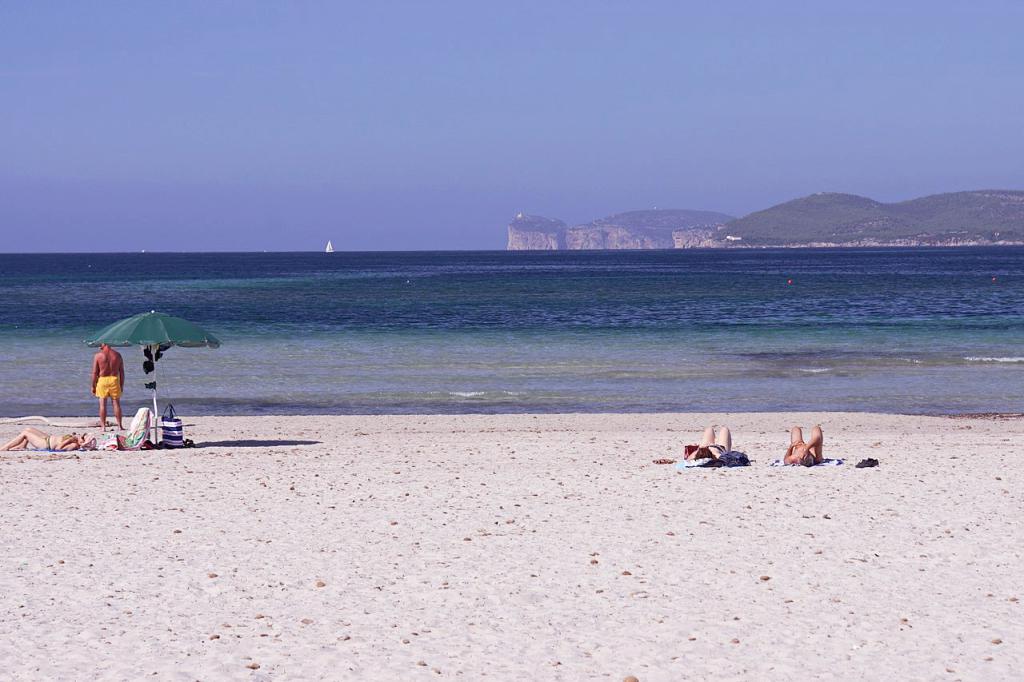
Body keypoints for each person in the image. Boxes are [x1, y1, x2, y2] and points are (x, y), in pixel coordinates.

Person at [91, 343, 125, 430]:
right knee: (116, 404)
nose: (99, 345)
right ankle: (120, 426)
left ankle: (103, 427)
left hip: (102, 380)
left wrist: (93, 385)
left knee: (102, 405)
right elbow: (121, 372)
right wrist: (121, 384)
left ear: (104, 343)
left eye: (101, 343)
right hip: (114, 380)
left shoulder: (98, 355)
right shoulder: (117, 355)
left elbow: (95, 372)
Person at [1, 427, 92, 452]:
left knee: (25, 434)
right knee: (28, 429)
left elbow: (58, 449)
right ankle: (22, 446)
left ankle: (5, 448)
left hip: (46, 444)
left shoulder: (74, 445)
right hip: (48, 438)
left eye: (83, 438)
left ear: (83, 443)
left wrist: (70, 440)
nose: (81, 436)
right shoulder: (75, 441)